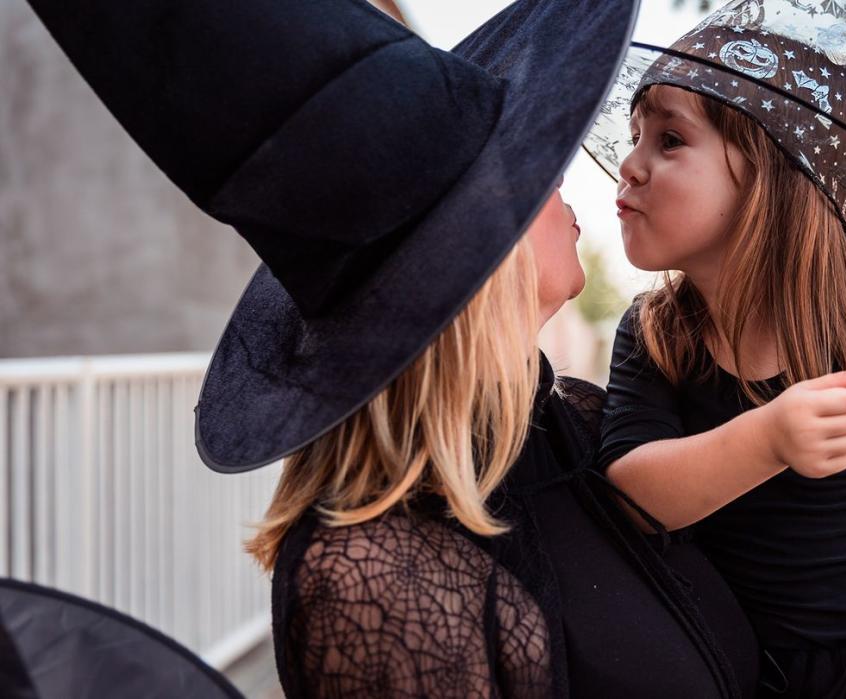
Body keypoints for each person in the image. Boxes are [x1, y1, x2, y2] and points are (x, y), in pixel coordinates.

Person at [25, 0, 762, 695]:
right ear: (470, 246)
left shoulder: (577, 420)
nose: (562, 173)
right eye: (530, 162)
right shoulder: (370, 578)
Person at [584, 1, 846, 696]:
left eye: (670, 140)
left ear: (769, 178)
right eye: (634, 135)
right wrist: (769, 438)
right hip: (707, 670)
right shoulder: (660, 332)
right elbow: (634, 491)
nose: (629, 164)